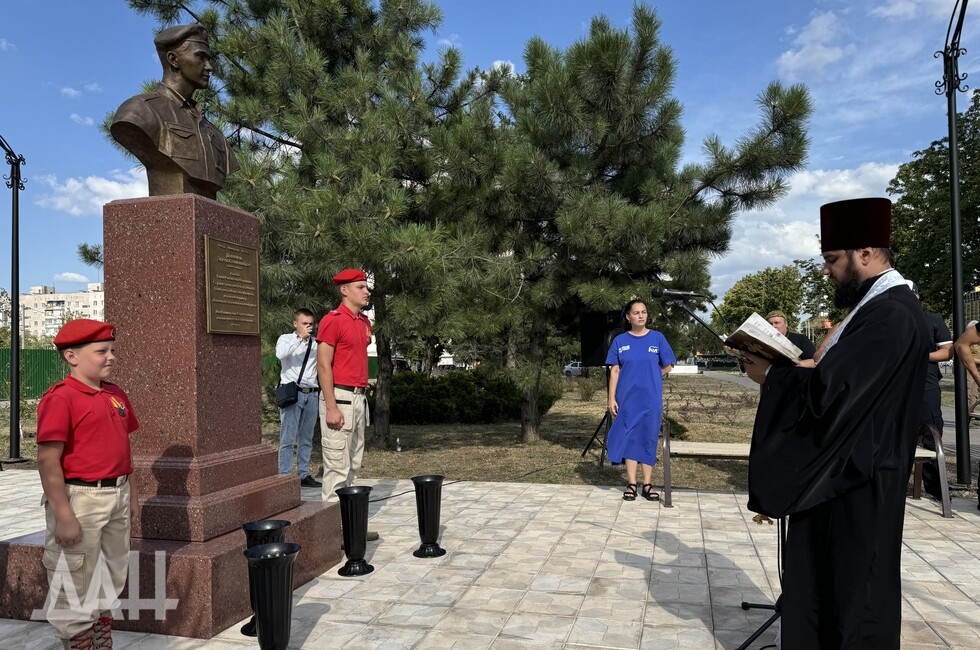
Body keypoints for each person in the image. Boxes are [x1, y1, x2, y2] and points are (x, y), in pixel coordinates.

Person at [742, 197, 929, 649]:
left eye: (831, 260)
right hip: (845, 475)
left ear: (864, 252)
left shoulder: (891, 314)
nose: (827, 271)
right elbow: (843, 381)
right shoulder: (877, 308)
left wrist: (772, 375)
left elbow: (835, 397)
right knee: (828, 588)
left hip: (860, 483)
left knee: (855, 598)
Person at [36, 319, 139, 650]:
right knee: (74, 572)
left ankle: (99, 629)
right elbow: (48, 460)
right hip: (80, 498)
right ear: (72, 357)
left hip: (117, 493)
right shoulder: (61, 398)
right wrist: (63, 515)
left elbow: (124, 449)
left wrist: (131, 496)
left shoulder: (115, 394)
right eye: (101, 351)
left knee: (113, 568)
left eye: (112, 350)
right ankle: (78, 637)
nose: (110, 357)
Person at [110, 24, 238, 199]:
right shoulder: (140, 110)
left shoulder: (216, 135)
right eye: (200, 57)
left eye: (209, 59)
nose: (209, 67)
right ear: (173, 59)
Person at [605, 299, 675, 502]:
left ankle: (647, 484)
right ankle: (631, 484)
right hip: (626, 399)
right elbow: (615, 370)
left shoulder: (657, 338)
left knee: (648, 437)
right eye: (636, 313)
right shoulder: (620, 341)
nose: (641, 315)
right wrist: (611, 398)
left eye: (644, 312)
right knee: (629, 437)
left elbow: (667, 366)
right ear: (628, 317)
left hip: (650, 399)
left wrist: (651, 377)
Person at [316, 269, 372, 505]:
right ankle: (333, 531)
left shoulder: (363, 322)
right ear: (344, 290)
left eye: (366, 287)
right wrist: (331, 406)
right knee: (337, 468)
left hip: (359, 398)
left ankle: (350, 528)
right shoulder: (333, 321)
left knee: (353, 466)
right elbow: (323, 365)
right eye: (361, 287)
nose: (366, 291)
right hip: (339, 397)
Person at [906, 282, 953, 500]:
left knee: (931, 434)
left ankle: (935, 489)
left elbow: (947, 352)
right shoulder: (889, 320)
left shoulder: (933, 320)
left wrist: (919, 356)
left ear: (917, 295)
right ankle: (895, 486)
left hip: (926, 386)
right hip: (896, 387)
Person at [275, 308, 321, 487]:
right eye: (305, 324)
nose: (308, 327)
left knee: (306, 437)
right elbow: (281, 354)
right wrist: (300, 338)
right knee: (288, 437)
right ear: (296, 324)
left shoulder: (316, 343)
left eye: (311, 324)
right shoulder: (285, 339)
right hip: (293, 393)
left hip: (312, 394)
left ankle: (303, 474)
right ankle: (285, 475)